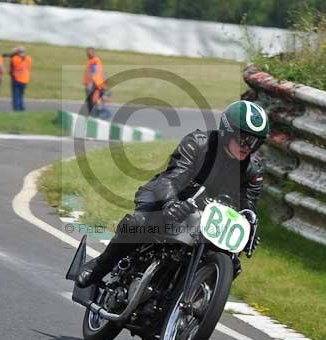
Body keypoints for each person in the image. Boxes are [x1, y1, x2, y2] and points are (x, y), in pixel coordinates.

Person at [76, 100, 269, 288]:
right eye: (244, 139)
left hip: (208, 218)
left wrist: (250, 228)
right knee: (137, 225)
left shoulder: (254, 170)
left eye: (255, 142)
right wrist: (171, 203)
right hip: (170, 199)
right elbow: (171, 179)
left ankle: (195, 297)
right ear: (228, 132)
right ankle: (99, 266)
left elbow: (248, 205)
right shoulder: (198, 144)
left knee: (232, 265)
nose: (248, 146)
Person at [82, 47, 106, 115]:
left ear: (93, 53)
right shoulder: (92, 60)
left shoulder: (94, 60)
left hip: (94, 83)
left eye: (89, 53)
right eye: (87, 53)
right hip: (95, 83)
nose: (88, 54)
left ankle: (97, 112)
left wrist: (90, 83)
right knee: (94, 98)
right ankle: (96, 111)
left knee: (93, 98)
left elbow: (94, 72)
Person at [10, 46, 32, 112]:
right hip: (25, 79)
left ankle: (16, 109)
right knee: (21, 95)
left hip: (17, 79)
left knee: (16, 95)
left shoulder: (14, 59)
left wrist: (14, 52)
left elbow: (12, 66)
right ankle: (22, 108)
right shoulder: (29, 59)